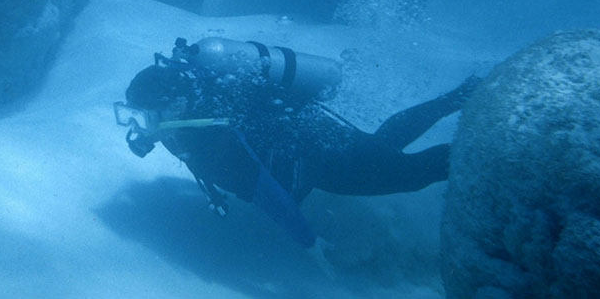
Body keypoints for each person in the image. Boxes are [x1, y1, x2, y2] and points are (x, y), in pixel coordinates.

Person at [116, 44, 480, 249]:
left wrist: (309, 241)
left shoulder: (212, 137)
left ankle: (482, 153)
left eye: (148, 117)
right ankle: (460, 96)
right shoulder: (183, 125)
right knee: (383, 145)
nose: (143, 127)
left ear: (177, 107)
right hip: (314, 136)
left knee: (410, 175)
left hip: (327, 157)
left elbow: (265, 189)